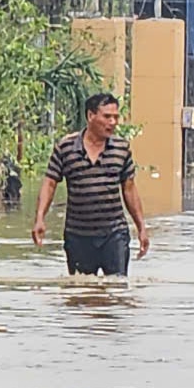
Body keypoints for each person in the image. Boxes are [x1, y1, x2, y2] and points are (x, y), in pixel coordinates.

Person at [31, 93, 150, 276]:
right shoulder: (66, 147)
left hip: (114, 233)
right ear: (90, 116)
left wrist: (141, 227)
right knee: (81, 293)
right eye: (107, 117)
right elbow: (50, 183)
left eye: (116, 117)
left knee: (116, 290)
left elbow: (129, 189)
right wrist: (40, 218)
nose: (112, 122)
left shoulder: (121, 149)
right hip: (78, 235)